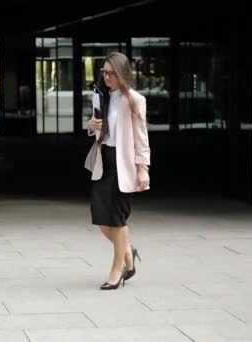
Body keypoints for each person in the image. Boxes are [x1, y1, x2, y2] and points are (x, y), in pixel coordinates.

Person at [84, 52, 150, 290]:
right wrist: (91, 126)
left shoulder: (134, 100)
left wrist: (143, 169)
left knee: (118, 219)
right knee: (102, 218)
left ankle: (116, 271)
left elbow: (142, 139)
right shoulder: (100, 96)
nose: (107, 77)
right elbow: (94, 128)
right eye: (104, 72)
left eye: (112, 73)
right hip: (104, 162)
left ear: (123, 74)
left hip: (125, 165)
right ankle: (128, 253)